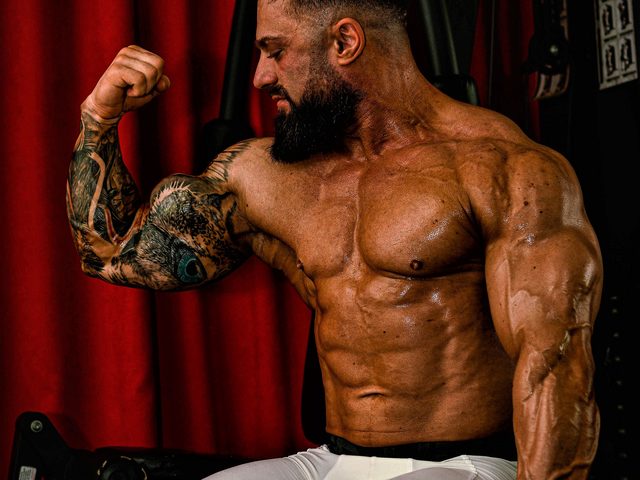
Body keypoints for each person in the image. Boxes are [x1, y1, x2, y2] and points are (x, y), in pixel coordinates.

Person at [66, 1, 603, 479]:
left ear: (345, 41)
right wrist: (99, 119)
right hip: (330, 460)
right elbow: (109, 251)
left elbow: (555, 369)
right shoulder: (268, 176)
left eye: (275, 51)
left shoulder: (504, 169)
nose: (260, 77)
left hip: (465, 464)